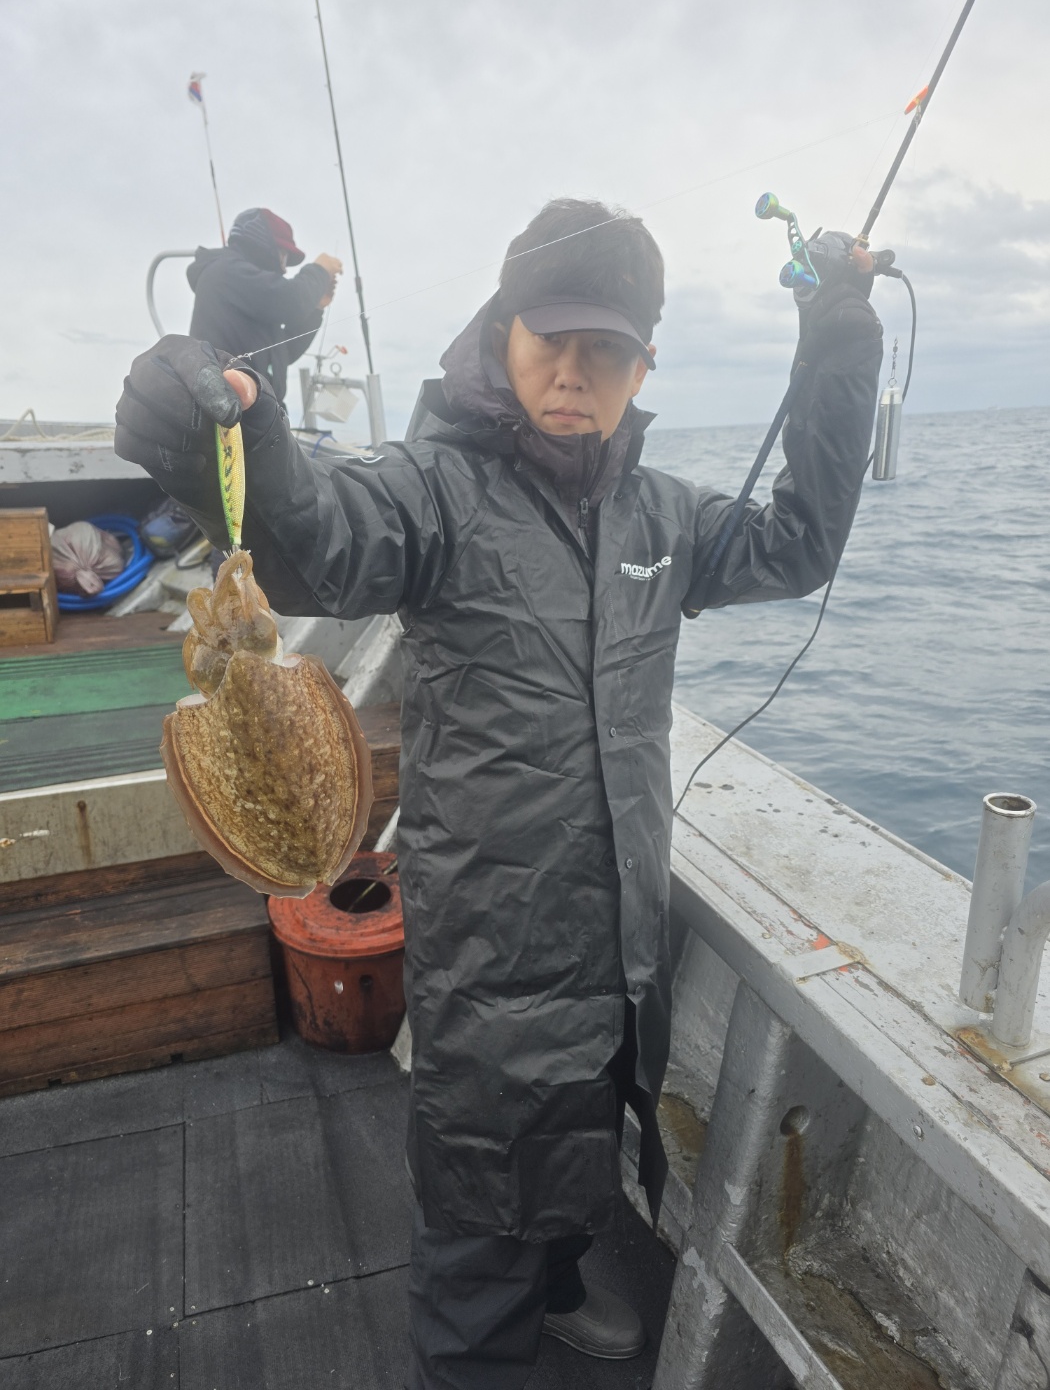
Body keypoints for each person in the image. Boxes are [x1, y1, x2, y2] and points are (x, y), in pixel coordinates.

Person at [114, 197, 882, 1389]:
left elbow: (797, 543)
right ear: (500, 332)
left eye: (604, 349)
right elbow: (320, 538)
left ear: (643, 363)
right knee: (477, 1218)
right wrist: (220, 434)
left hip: (619, 943)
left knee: (587, 1139)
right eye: (548, 338)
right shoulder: (435, 493)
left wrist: (837, 337)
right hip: (491, 957)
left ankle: (560, 1276)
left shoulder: (665, 517)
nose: (572, 371)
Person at [187, 206, 343, 402]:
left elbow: (283, 354)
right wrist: (320, 270)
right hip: (229, 413)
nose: (284, 269)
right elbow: (292, 300)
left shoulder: (252, 292)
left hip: (258, 411)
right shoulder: (226, 272)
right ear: (263, 246)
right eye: (283, 255)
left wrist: (316, 309)